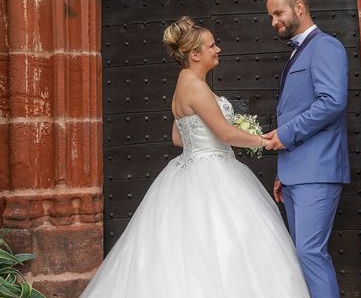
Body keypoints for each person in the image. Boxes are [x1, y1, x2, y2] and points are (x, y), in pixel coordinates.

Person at [81, 17, 309, 298]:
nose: (218, 49)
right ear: (195, 54)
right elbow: (225, 134)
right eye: (212, 45)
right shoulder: (196, 87)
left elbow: (177, 138)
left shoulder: (183, 83)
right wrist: (263, 140)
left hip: (190, 167)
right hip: (212, 170)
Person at [262, 0, 350, 298]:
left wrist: (284, 135)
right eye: (271, 16)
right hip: (295, 175)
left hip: (319, 171)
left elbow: (332, 103)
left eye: (278, 13)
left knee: (311, 253)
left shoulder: (325, 46)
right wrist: (282, 173)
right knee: (301, 256)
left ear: (299, 7)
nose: (274, 21)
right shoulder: (299, 51)